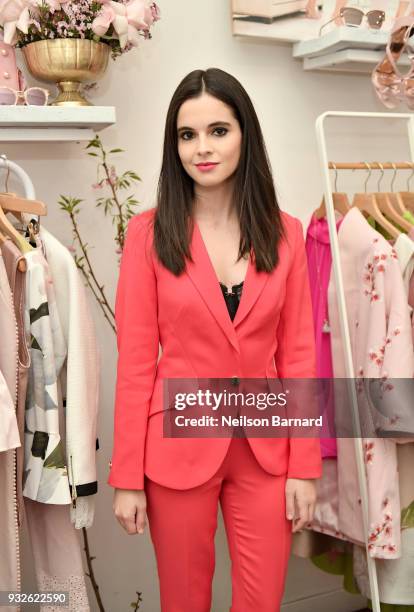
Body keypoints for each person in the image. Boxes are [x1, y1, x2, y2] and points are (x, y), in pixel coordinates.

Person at [108, 67, 322, 611]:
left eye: (218, 130)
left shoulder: (286, 232)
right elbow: (135, 363)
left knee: (261, 601)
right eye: (187, 134)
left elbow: (299, 354)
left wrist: (305, 467)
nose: (202, 148)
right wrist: (127, 477)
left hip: (266, 448)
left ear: (244, 134)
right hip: (176, 444)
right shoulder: (148, 236)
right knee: (183, 600)